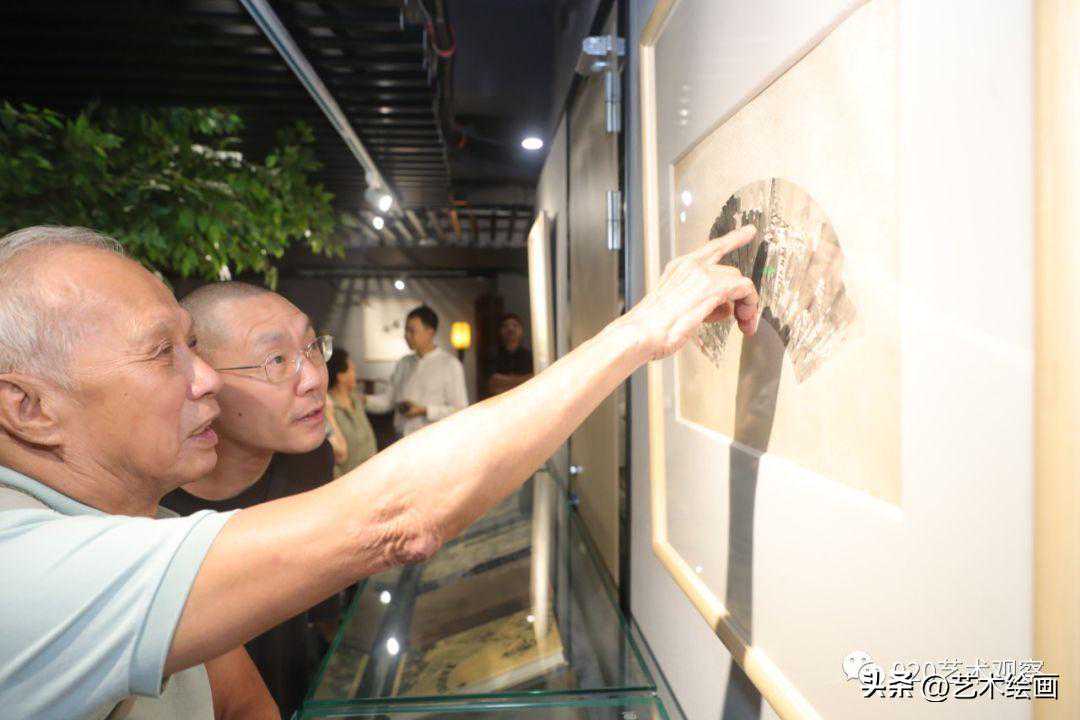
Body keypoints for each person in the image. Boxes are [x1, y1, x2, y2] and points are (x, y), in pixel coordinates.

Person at [0, 224, 759, 719]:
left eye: (193, 347)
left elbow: (238, 701)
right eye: (162, 353)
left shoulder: (147, 525)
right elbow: (396, 515)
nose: (204, 381)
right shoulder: (24, 574)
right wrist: (640, 332)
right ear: (28, 408)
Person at [158, 282, 342, 719]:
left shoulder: (310, 459)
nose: (314, 378)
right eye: (276, 360)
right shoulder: (151, 506)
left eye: (312, 347)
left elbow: (320, 610)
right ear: (201, 379)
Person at [365, 304, 469, 437]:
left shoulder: (450, 364)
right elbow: (388, 400)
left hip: (432, 439)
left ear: (430, 332)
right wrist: (363, 400)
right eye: (405, 330)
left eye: (411, 331)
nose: (406, 336)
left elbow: (460, 410)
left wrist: (424, 410)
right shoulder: (404, 363)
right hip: (401, 437)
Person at [326, 347, 378, 478]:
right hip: (349, 481)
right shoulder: (328, 408)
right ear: (340, 376)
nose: (355, 374)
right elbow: (337, 457)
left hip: (373, 474)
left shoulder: (356, 400)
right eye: (352, 370)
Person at [486, 312, 534, 396]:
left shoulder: (529, 356)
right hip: (500, 399)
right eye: (505, 326)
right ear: (500, 331)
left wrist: (505, 381)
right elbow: (493, 382)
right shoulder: (493, 355)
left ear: (521, 331)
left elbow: (533, 380)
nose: (510, 329)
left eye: (515, 325)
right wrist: (521, 381)